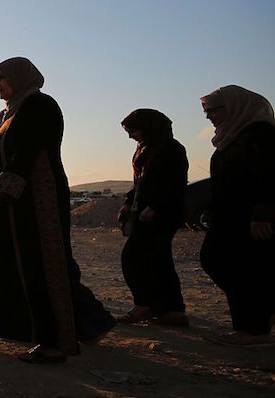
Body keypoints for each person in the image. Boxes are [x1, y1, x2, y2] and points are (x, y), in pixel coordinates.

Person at [0, 57, 115, 363]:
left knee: (40, 270)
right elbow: (7, 155)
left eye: (1, 78)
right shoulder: (12, 112)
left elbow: (27, 153)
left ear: (19, 77)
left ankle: (55, 343)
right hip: (9, 206)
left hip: (36, 205)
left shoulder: (40, 106)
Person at [199, 85, 275, 347]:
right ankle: (251, 323)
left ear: (233, 107)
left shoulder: (260, 134)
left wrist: (263, 214)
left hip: (252, 219)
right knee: (219, 261)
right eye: (206, 112)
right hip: (229, 217)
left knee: (247, 270)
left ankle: (255, 329)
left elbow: (269, 177)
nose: (209, 117)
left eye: (213, 111)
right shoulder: (231, 136)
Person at [116, 109, 189, 327]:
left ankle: (144, 305)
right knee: (159, 261)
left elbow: (174, 184)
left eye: (133, 130)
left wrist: (156, 207)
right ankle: (172, 311)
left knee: (133, 258)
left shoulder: (172, 149)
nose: (130, 136)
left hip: (161, 215)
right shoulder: (144, 149)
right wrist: (129, 203)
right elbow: (140, 183)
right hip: (144, 213)